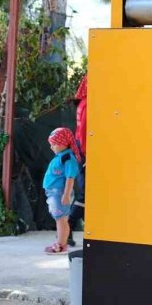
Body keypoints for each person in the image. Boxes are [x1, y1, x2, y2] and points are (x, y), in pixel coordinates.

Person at [44, 127, 82, 255]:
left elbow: (70, 178)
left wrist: (66, 195)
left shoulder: (67, 158)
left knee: (61, 220)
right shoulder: (61, 156)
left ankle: (60, 245)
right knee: (61, 219)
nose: (51, 147)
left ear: (63, 143)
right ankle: (61, 243)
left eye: (54, 144)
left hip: (59, 193)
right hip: (55, 193)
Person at [67, 74, 88, 247]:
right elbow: (85, 134)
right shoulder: (88, 105)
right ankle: (68, 225)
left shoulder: (82, 104)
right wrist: (86, 156)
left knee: (87, 195)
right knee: (85, 195)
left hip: (81, 152)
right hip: (85, 154)